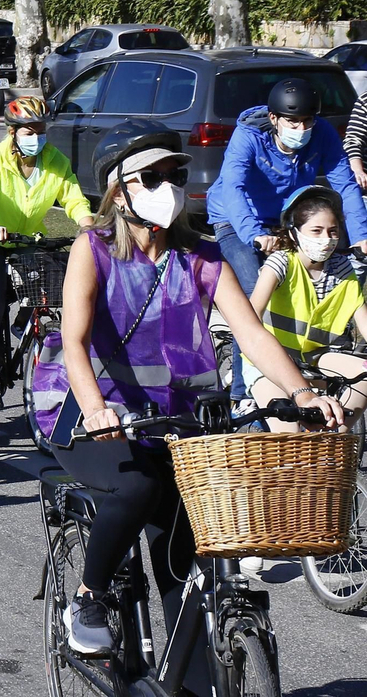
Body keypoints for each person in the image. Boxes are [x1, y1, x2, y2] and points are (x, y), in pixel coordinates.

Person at [30, 120, 346, 657]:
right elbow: (75, 342)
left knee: (188, 559)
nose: (169, 187)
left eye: (175, 175)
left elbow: (251, 333)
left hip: (174, 421)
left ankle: (190, 680)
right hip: (87, 414)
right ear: (119, 192)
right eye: (152, 177)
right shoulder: (94, 248)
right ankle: (89, 596)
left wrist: (303, 394)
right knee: (138, 490)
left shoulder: (201, 255)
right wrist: (96, 410)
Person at [206, 77, 367, 405]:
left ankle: (291, 370)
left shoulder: (322, 133)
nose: (301, 128)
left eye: (307, 120)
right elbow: (234, 187)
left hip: (286, 219)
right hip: (236, 220)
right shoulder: (249, 135)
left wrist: (362, 235)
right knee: (252, 296)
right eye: (293, 121)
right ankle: (242, 394)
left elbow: (345, 184)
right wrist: (254, 235)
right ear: (274, 118)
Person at [0, 96, 94, 406]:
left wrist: (88, 226)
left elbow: (73, 198)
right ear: (13, 133)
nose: (37, 138)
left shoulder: (55, 160)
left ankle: (24, 327)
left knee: (50, 291)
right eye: (29, 132)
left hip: (26, 239)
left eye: (41, 131)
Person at [245, 186, 367, 432]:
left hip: (315, 356)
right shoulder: (281, 262)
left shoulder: (342, 268)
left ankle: (333, 438)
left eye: (333, 231)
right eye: (316, 230)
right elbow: (249, 318)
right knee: (290, 438)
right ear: (294, 233)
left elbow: (361, 315)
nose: (326, 238)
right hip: (274, 360)